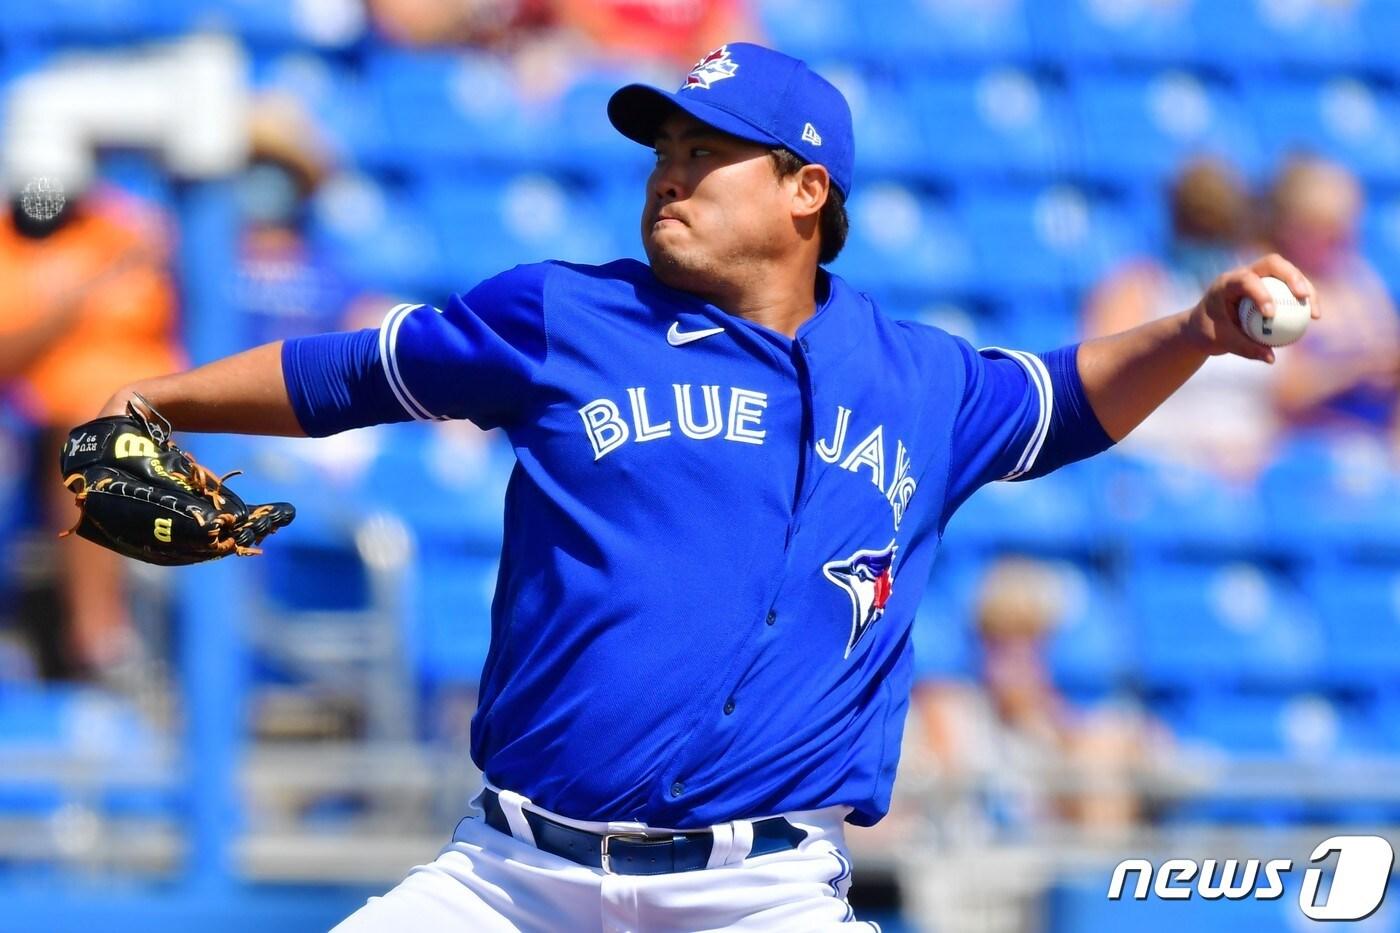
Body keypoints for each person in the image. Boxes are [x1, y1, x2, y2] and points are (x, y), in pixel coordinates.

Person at [85, 43, 1316, 930]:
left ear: (804, 189)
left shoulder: (915, 380)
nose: (667, 174)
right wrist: (154, 406)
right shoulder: (563, 316)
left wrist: (1198, 329)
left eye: (705, 152)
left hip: (758, 895)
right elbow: (345, 372)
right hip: (512, 883)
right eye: (661, 149)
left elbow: (1063, 398)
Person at [0, 177, 184, 679]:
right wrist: (76, 302)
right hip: (53, 418)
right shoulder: (9, 245)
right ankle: (97, 640)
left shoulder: (123, 226)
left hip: (162, 404)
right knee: (88, 443)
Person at [1082, 158, 1278, 482]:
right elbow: (1101, 386)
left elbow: (1287, 392)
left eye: (1217, 222)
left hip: (1249, 479)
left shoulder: (1264, 285)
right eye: (1198, 221)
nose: (1207, 232)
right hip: (1158, 473)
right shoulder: (1134, 288)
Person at [1263, 155, 1400, 439]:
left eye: (1344, 229)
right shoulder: (1274, 285)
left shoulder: (1360, 278)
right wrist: (1353, 370)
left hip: (1373, 446)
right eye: (1325, 230)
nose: (1340, 241)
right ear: (1291, 228)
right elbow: (1282, 393)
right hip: (1303, 448)